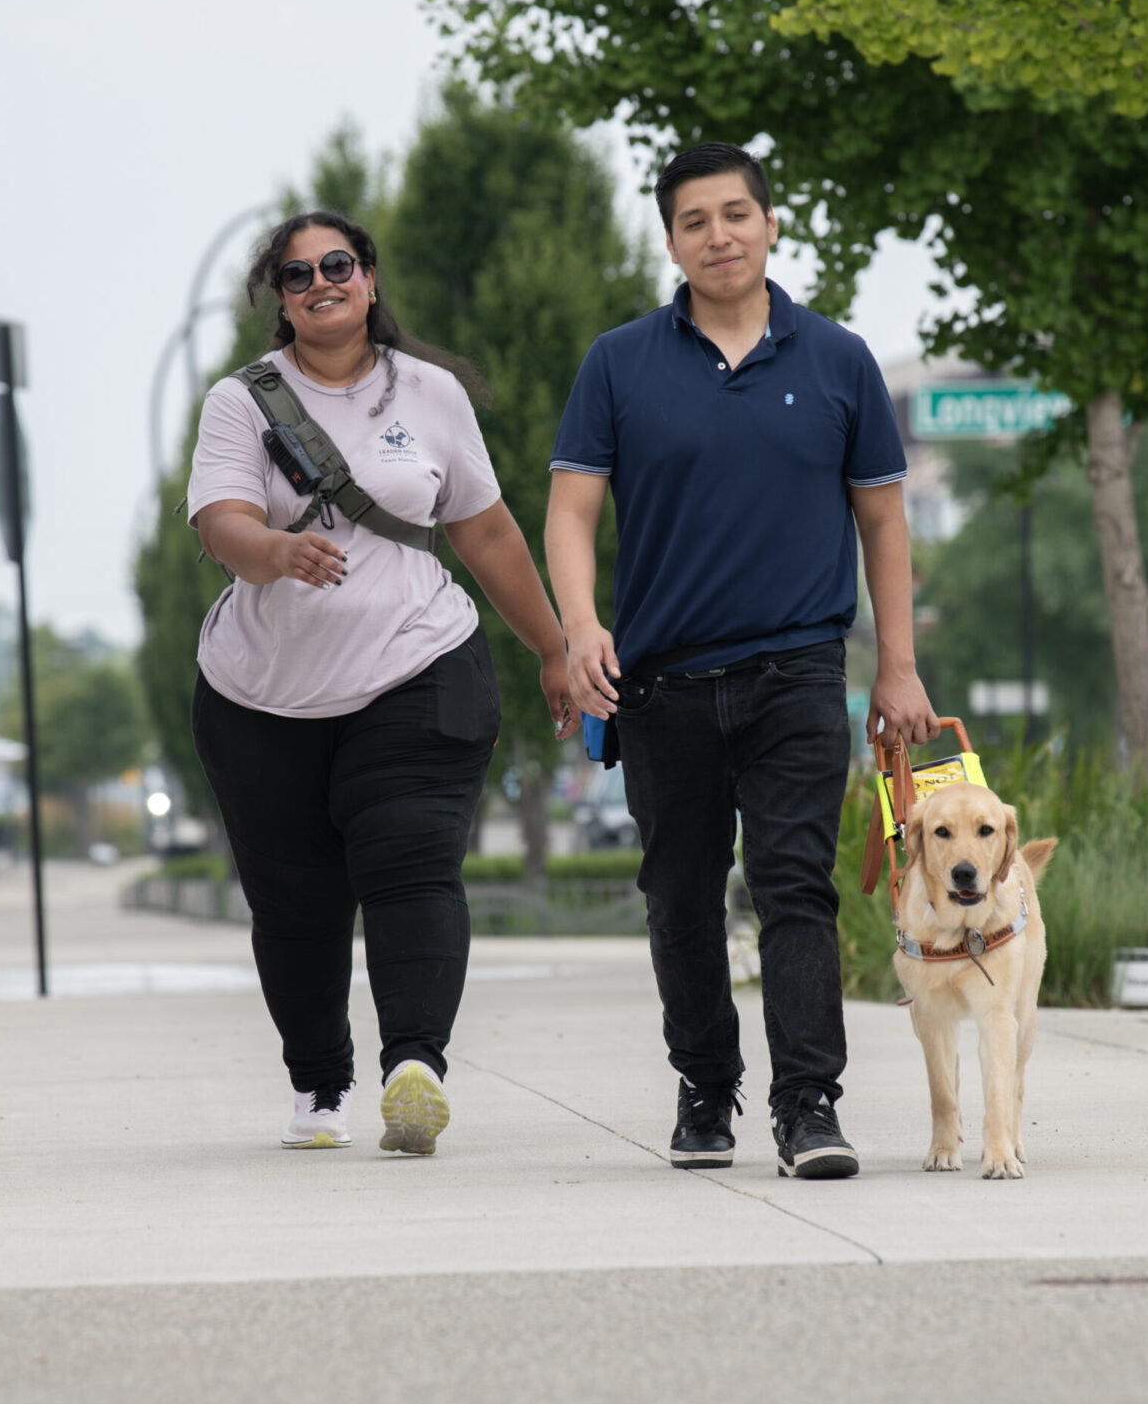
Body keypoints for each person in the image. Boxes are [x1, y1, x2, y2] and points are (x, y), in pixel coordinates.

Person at [545, 142, 939, 1180]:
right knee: (678, 894)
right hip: (661, 682)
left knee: (792, 886)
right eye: (692, 221)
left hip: (797, 671)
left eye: (733, 215)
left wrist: (893, 666)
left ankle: (807, 1105)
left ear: (770, 225)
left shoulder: (836, 359)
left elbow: (883, 522)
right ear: (669, 239)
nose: (716, 236)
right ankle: (704, 1089)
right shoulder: (618, 363)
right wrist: (580, 627)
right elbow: (571, 510)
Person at [188, 210, 577, 1154]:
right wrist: (273, 550)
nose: (321, 282)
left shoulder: (432, 396)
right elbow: (219, 521)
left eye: (338, 264)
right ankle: (320, 1086)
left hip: (418, 663)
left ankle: (416, 1065)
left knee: (410, 860)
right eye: (296, 274)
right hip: (261, 697)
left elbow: (485, 532)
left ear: (368, 277)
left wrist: (553, 649)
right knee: (295, 902)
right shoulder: (241, 402)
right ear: (277, 299)